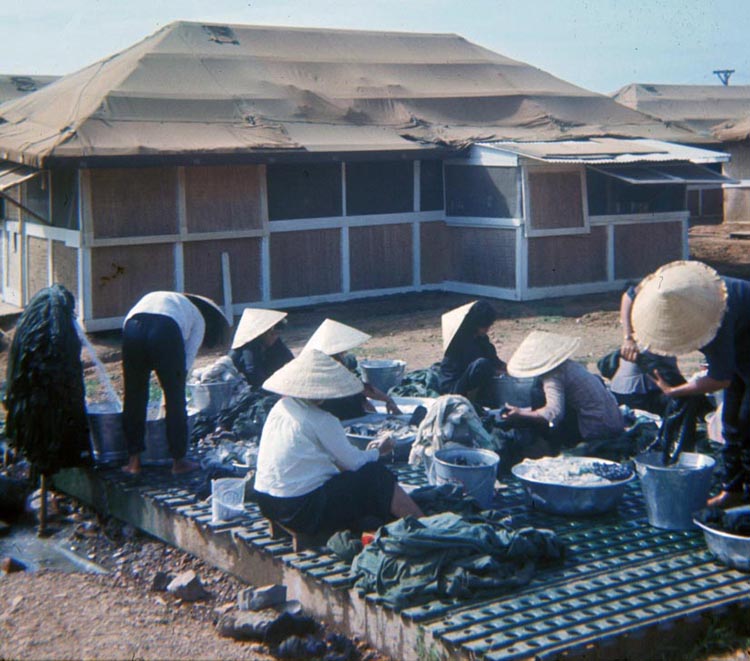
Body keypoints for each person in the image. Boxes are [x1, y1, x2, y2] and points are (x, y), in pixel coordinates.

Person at [253, 349, 424, 536]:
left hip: (267, 502)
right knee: (377, 475)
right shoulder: (321, 419)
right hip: (299, 511)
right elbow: (354, 463)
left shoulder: (281, 407)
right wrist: (378, 451)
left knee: (349, 476)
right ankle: (422, 524)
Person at [631, 260, 750, 508]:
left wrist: (676, 391)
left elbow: (720, 379)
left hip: (741, 352)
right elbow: (629, 295)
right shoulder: (674, 292)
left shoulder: (715, 314)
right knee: (732, 423)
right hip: (742, 353)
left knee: (747, 422)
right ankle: (734, 490)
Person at [121, 291, 228, 475]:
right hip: (166, 330)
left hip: (133, 327)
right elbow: (184, 366)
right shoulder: (198, 318)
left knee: (134, 396)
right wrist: (170, 388)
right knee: (175, 398)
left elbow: (128, 327)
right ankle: (178, 462)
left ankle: (134, 462)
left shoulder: (161, 298)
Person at [502, 331, 625, 450]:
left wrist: (521, 415)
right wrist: (521, 411)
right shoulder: (568, 365)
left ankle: (549, 446)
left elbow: (554, 413)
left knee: (537, 393)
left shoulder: (553, 375)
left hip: (597, 427)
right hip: (612, 419)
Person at [304, 318, 402, 419]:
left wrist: (387, 400)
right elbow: (359, 388)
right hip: (335, 413)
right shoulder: (325, 365)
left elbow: (360, 387)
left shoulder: (339, 362)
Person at [607, 285, 682, 415]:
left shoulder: (643, 330)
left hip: (625, 391)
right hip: (637, 396)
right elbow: (673, 379)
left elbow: (629, 295)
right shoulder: (652, 338)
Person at [437, 300, 506, 403]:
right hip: (454, 387)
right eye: (484, 326)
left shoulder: (481, 339)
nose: (487, 329)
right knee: (482, 365)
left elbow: (493, 360)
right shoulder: (459, 342)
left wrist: (508, 368)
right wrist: (497, 372)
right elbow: (479, 367)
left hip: (468, 381)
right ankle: (473, 401)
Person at [229, 308, 293, 388]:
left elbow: (290, 361)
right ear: (263, 333)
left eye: (277, 334)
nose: (275, 337)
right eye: (272, 334)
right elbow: (253, 372)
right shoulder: (249, 346)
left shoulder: (275, 342)